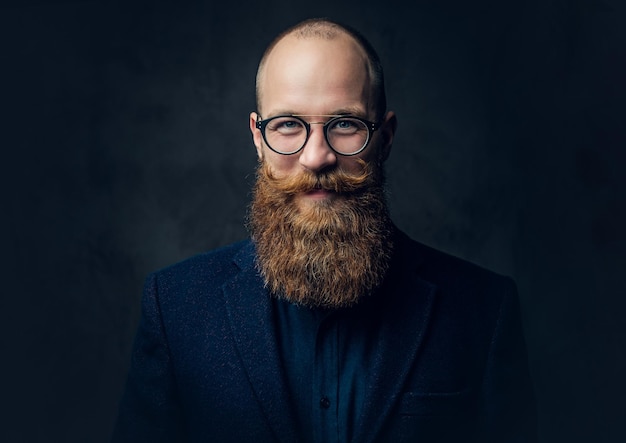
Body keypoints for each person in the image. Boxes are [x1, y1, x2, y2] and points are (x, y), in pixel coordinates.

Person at [112, 17, 537, 443]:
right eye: (288, 125)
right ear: (258, 138)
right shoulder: (175, 309)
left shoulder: (483, 311)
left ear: (385, 138)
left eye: (345, 125)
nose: (316, 157)